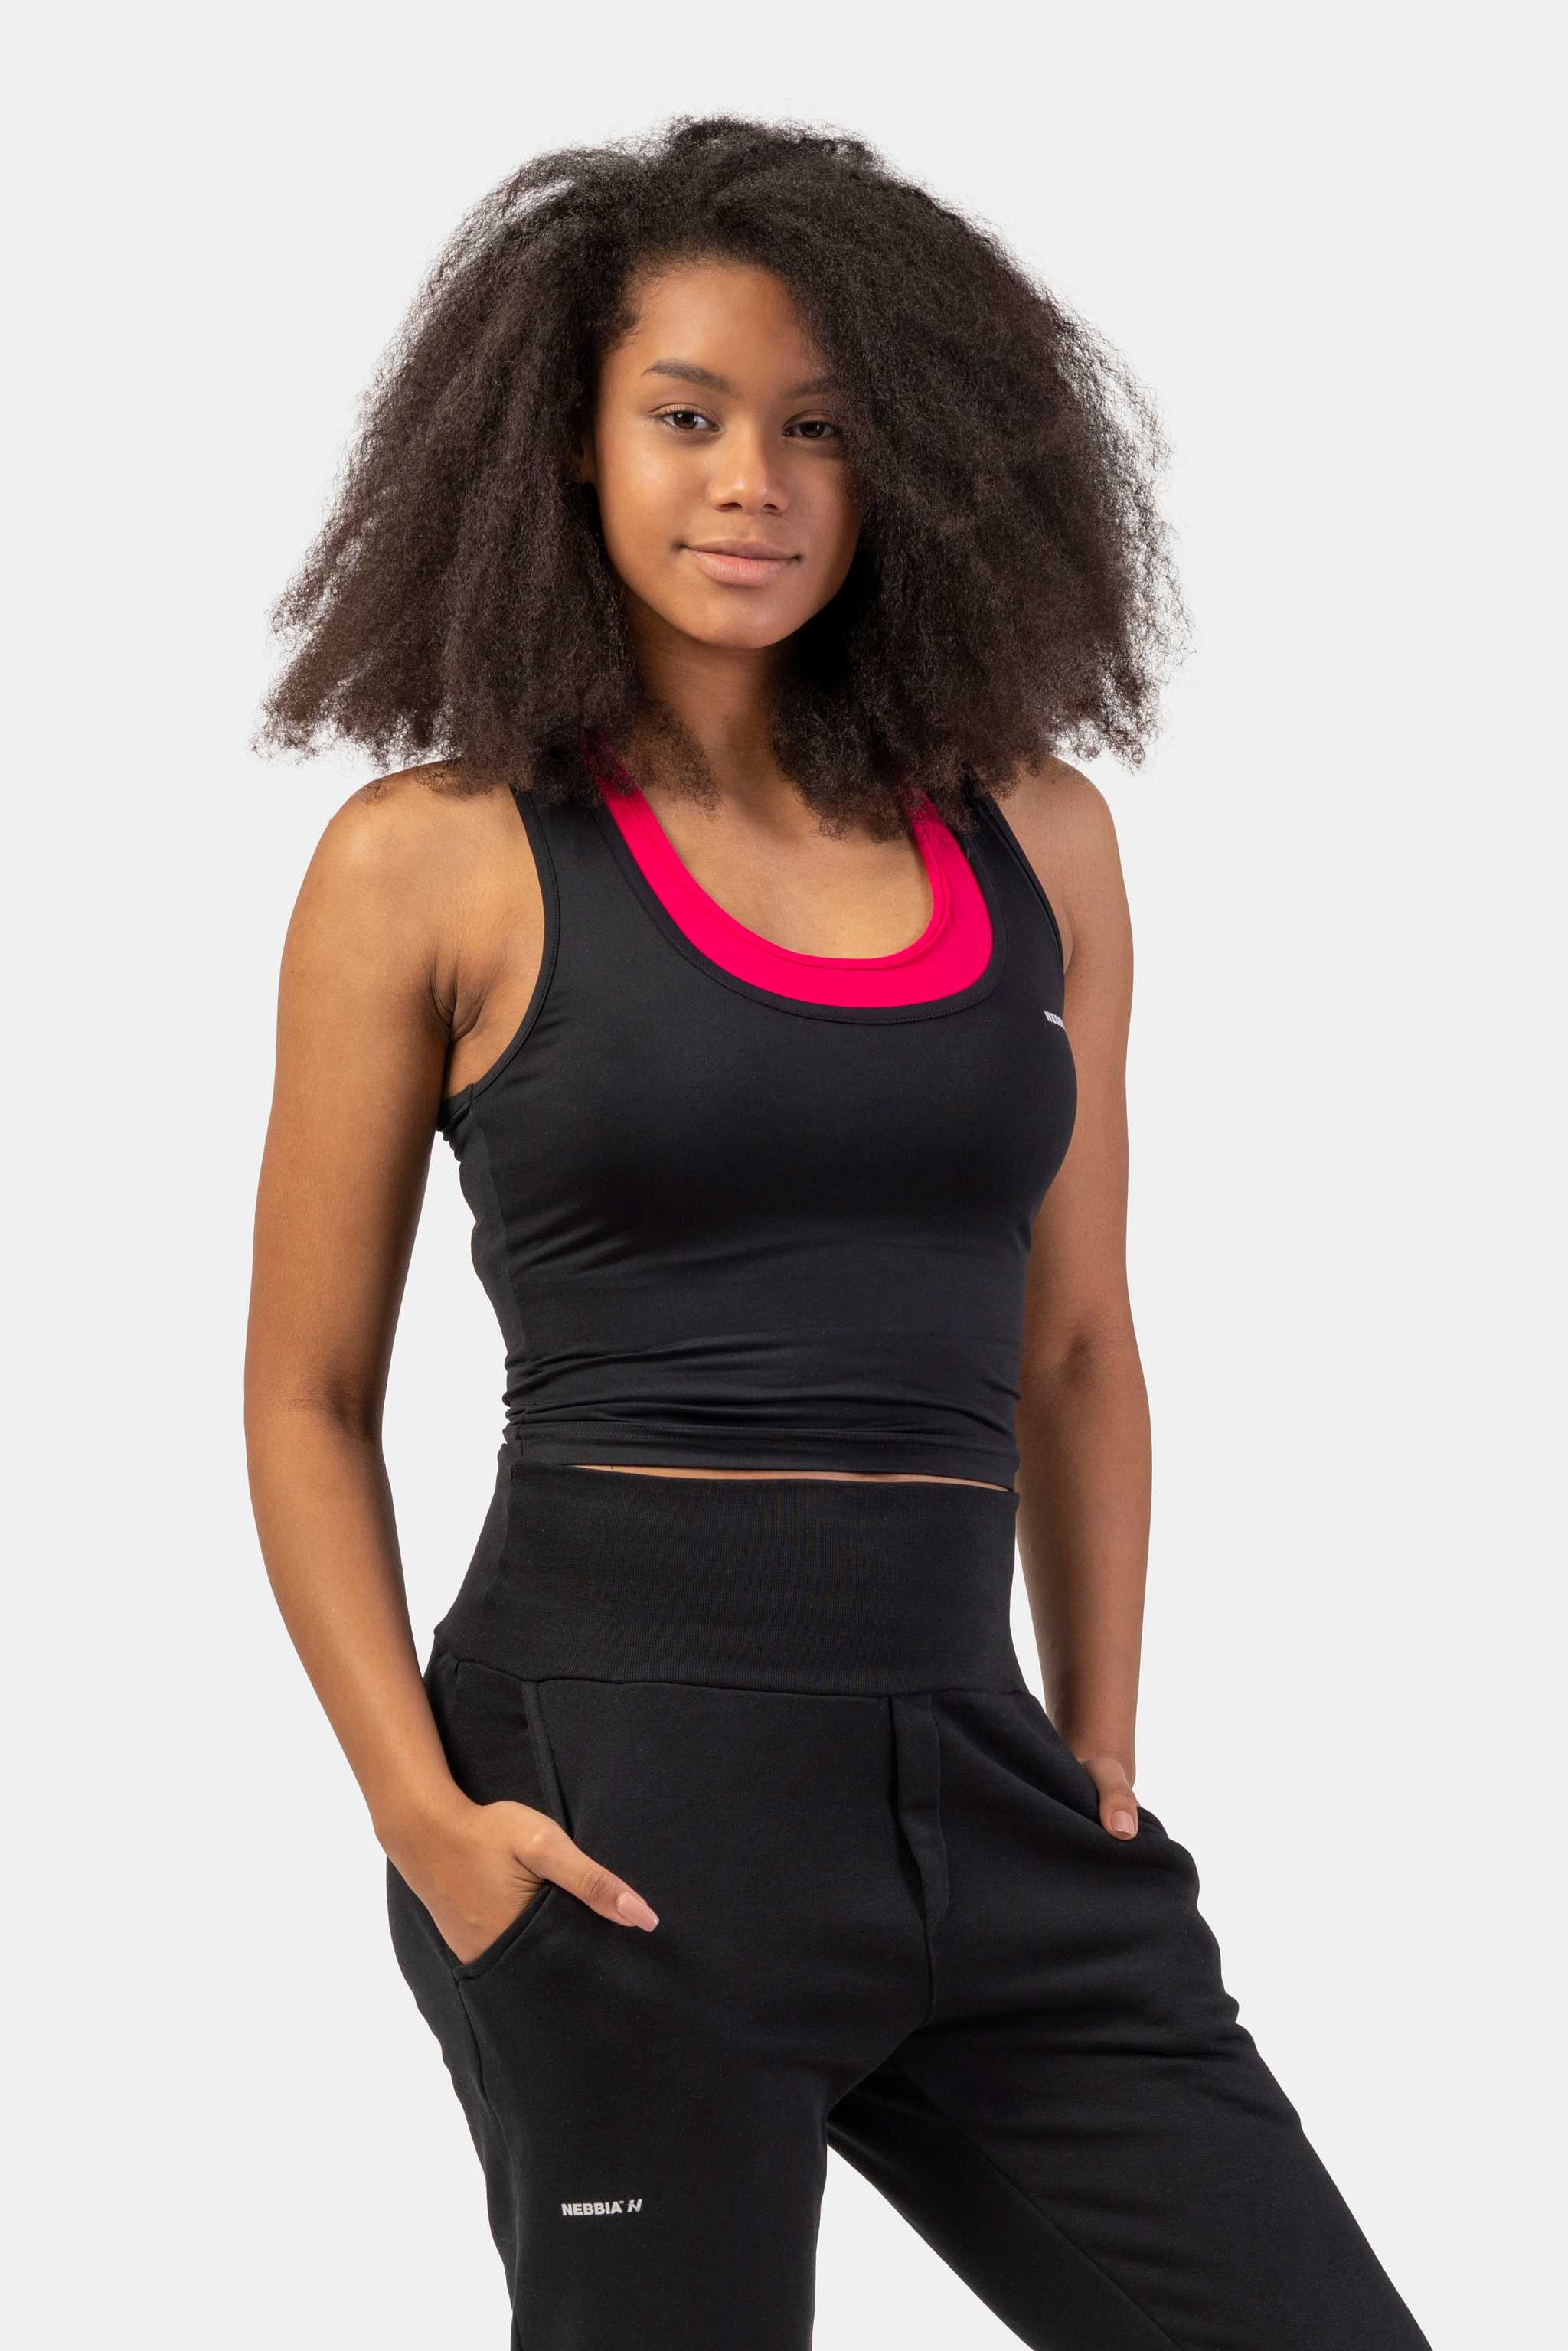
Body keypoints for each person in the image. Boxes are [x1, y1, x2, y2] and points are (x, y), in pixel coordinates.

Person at [246, 115, 1432, 2349]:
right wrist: (425, 1819)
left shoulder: (1041, 843)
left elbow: (1077, 1344)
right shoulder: (433, 861)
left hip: (989, 1794)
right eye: (686, 417)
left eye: (820, 428)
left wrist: (1098, 1748)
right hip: (611, 1823)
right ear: (569, 442)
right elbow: (307, 1396)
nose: (755, 485)